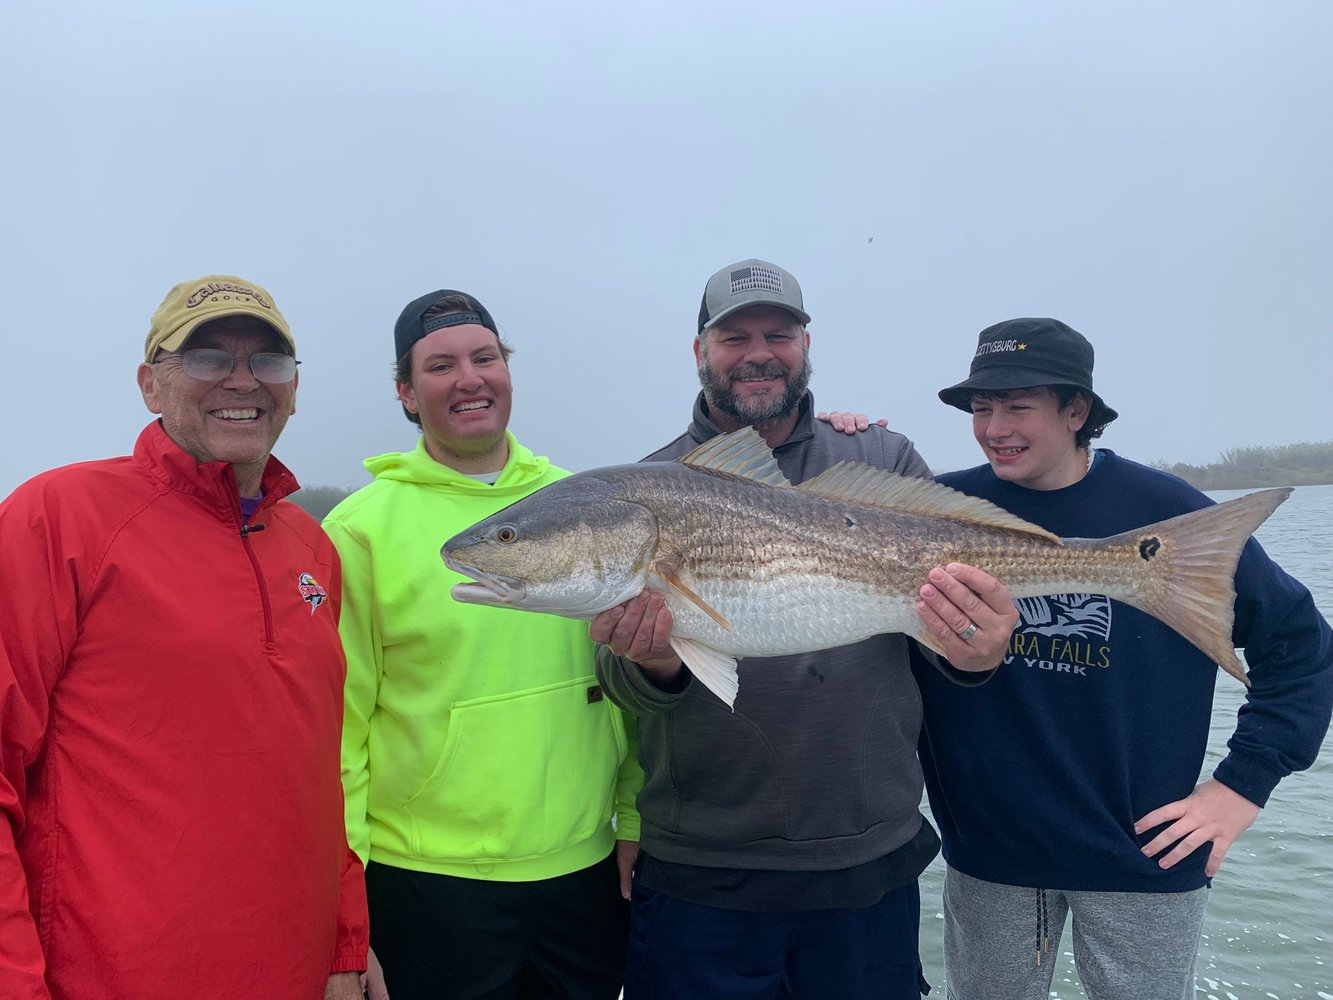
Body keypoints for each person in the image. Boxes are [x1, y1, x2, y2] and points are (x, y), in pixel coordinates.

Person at [591, 258, 1018, 1000]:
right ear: (700, 353)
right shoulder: (642, 488)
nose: (758, 352)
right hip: (704, 868)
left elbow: (941, 641)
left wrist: (976, 654)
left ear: (805, 345)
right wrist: (654, 663)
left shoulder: (879, 454)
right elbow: (625, 690)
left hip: (865, 857)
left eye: (777, 333)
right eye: (734, 337)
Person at [916, 316, 1333, 1000]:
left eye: (1018, 406)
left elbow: (1299, 646)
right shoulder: (942, 509)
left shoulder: (1166, 513)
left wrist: (1240, 786)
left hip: (1144, 850)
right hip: (990, 856)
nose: (994, 428)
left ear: (1076, 410)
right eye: (981, 408)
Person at [0, 275, 369, 1000]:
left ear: (294, 387)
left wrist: (344, 945)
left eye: (268, 360)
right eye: (206, 358)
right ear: (150, 384)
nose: (243, 380)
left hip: (293, 972)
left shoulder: (308, 546)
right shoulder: (58, 516)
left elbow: (316, 772)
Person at [323, 289, 642, 1000]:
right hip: (427, 883)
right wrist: (346, 913)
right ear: (406, 393)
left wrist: (633, 818)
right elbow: (336, 736)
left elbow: (626, 688)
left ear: (507, 372)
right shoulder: (358, 530)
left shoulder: (589, 504)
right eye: (439, 366)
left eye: (484, 358)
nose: (469, 379)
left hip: (584, 875)